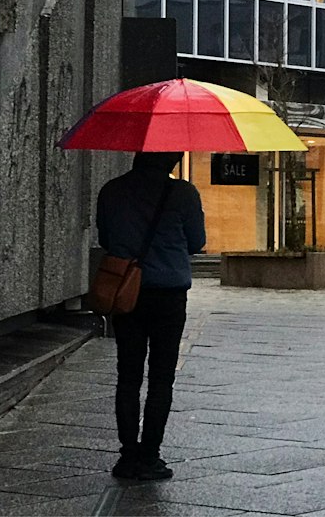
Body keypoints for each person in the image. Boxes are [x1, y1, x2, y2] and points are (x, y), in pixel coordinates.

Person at [96, 151, 206, 481]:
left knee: (128, 375)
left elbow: (106, 240)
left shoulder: (111, 190)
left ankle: (128, 455)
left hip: (127, 292)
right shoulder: (184, 193)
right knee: (161, 377)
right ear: (170, 159)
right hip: (169, 295)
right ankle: (150, 455)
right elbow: (197, 243)